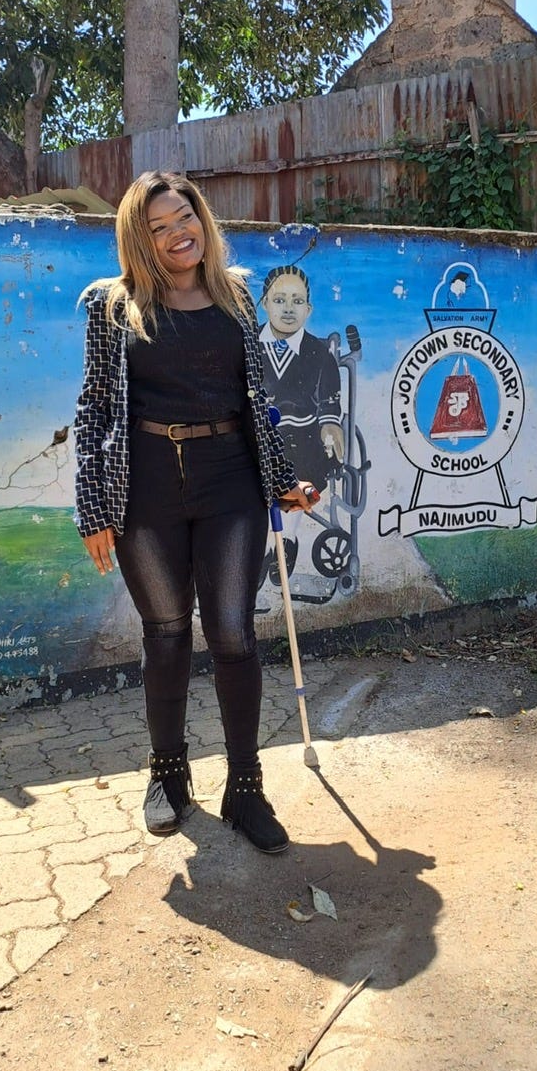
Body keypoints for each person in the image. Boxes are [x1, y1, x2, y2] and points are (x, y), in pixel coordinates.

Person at [73, 170, 319, 854]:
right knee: (166, 631)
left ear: (202, 221)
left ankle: (245, 788)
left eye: (185, 217)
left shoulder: (236, 296)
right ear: (138, 237)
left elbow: (255, 404)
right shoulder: (110, 305)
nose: (178, 232)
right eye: (159, 225)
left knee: (234, 633)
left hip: (229, 483)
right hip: (145, 487)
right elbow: (94, 408)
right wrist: (93, 506)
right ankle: (169, 774)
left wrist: (284, 482)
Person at [259, 265, 345, 492]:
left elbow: (329, 401)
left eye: (297, 302)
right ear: (265, 303)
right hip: (257, 445)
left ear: (308, 309)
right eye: (279, 300)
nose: (288, 309)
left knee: (302, 487)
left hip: (304, 445)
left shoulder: (318, 352)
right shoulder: (248, 344)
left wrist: (329, 425)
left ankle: (293, 524)